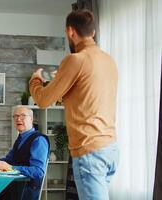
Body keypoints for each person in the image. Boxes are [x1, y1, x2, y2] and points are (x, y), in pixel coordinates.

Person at [29, 9, 119, 200]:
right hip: (110, 149)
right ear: (92, 32)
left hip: (89, 151)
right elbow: (88, 98)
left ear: (70, 32)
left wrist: (35, 80)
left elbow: (43, 100)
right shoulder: (109, 60)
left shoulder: (75, 60)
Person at [0, 106, 49, 200]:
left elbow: (38, 171)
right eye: (16, 116)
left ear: (31, 119)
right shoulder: (20, 138)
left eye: (23, 116)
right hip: (15, 186)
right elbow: (10, 159)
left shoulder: (39, 140)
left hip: (26, 190)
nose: (18, 119)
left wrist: (10, 168)